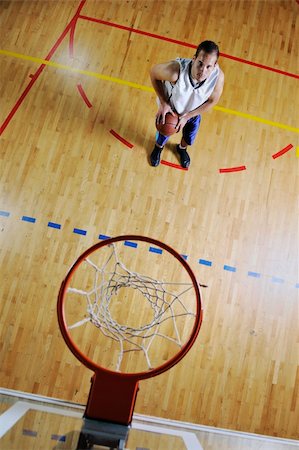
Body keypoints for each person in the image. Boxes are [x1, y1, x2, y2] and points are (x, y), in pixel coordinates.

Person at [150, 40, 224, 168]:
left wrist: (188, 116)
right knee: (164, 132)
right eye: (200, 63)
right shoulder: (175, 72)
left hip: (193, 113)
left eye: (208, 66)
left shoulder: (217, 78)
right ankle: (158, 147)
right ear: (194, 58)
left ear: (215, 65)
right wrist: (163, 102)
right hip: (171, 110)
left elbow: (213, 100)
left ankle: (181, 149)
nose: (202, 70)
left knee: (189, 138)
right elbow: (153, 73)